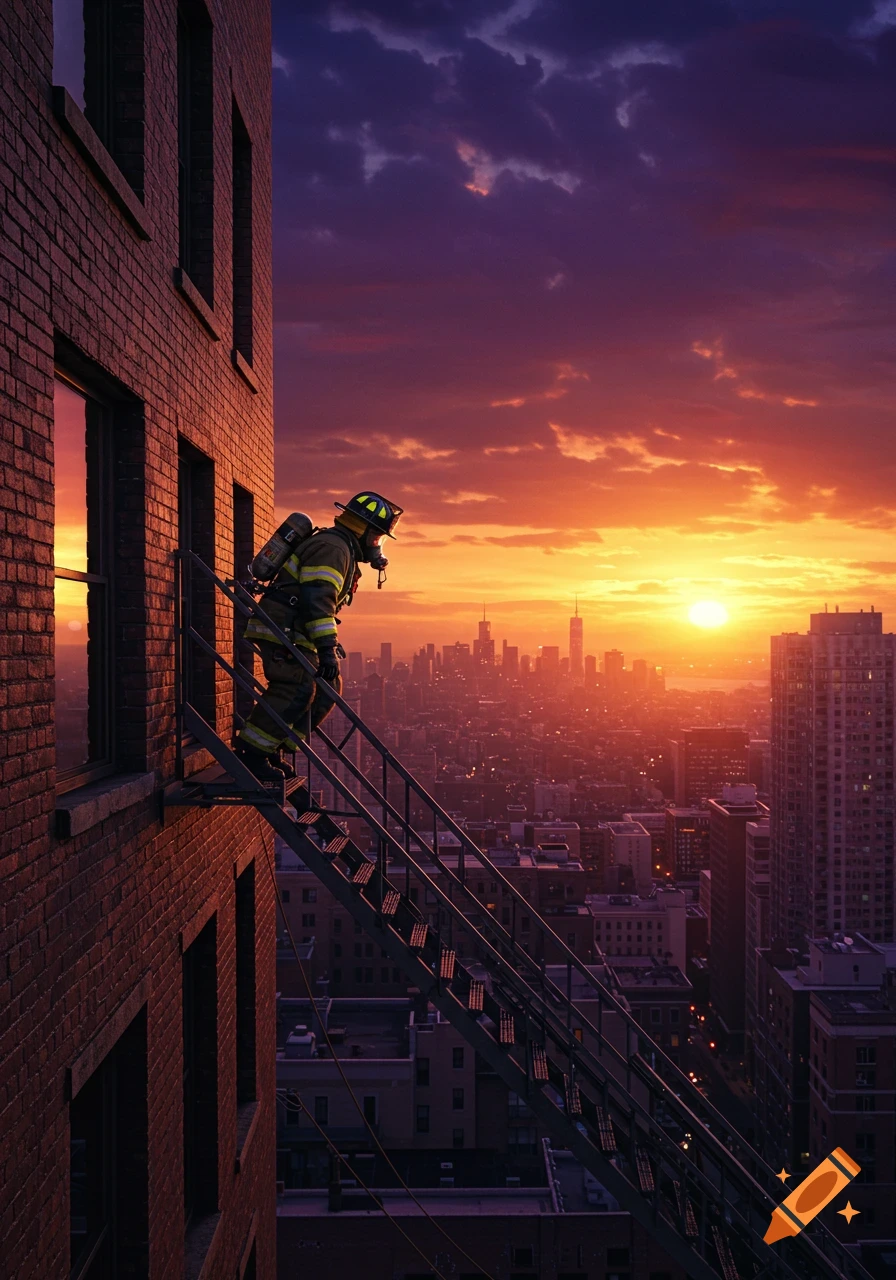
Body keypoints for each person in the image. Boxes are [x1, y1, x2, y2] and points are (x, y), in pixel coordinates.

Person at [234, 491, 403, 781]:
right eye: (376, 537)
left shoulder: (342, 548)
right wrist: (326, 648)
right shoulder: (333, 548)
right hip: (284, 627)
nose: (376, 546)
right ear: (360, 529)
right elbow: (317, 599)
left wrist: (326, 647)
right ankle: (252, 754)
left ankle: (273, 746)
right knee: (297, 686)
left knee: (327, 688)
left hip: (298, 629)